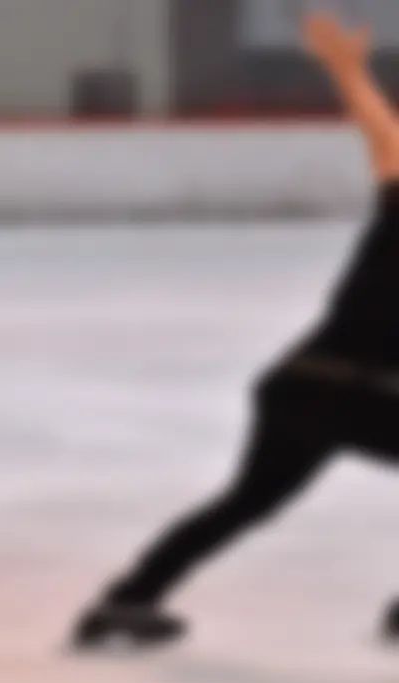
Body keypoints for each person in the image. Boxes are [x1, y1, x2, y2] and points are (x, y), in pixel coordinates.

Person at [76, 11, 399, 650]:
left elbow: (383, 139)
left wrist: (343, 65)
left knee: (244, 504)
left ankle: (125, 601)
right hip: (360, 396)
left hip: (295, 387)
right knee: (248, 503)